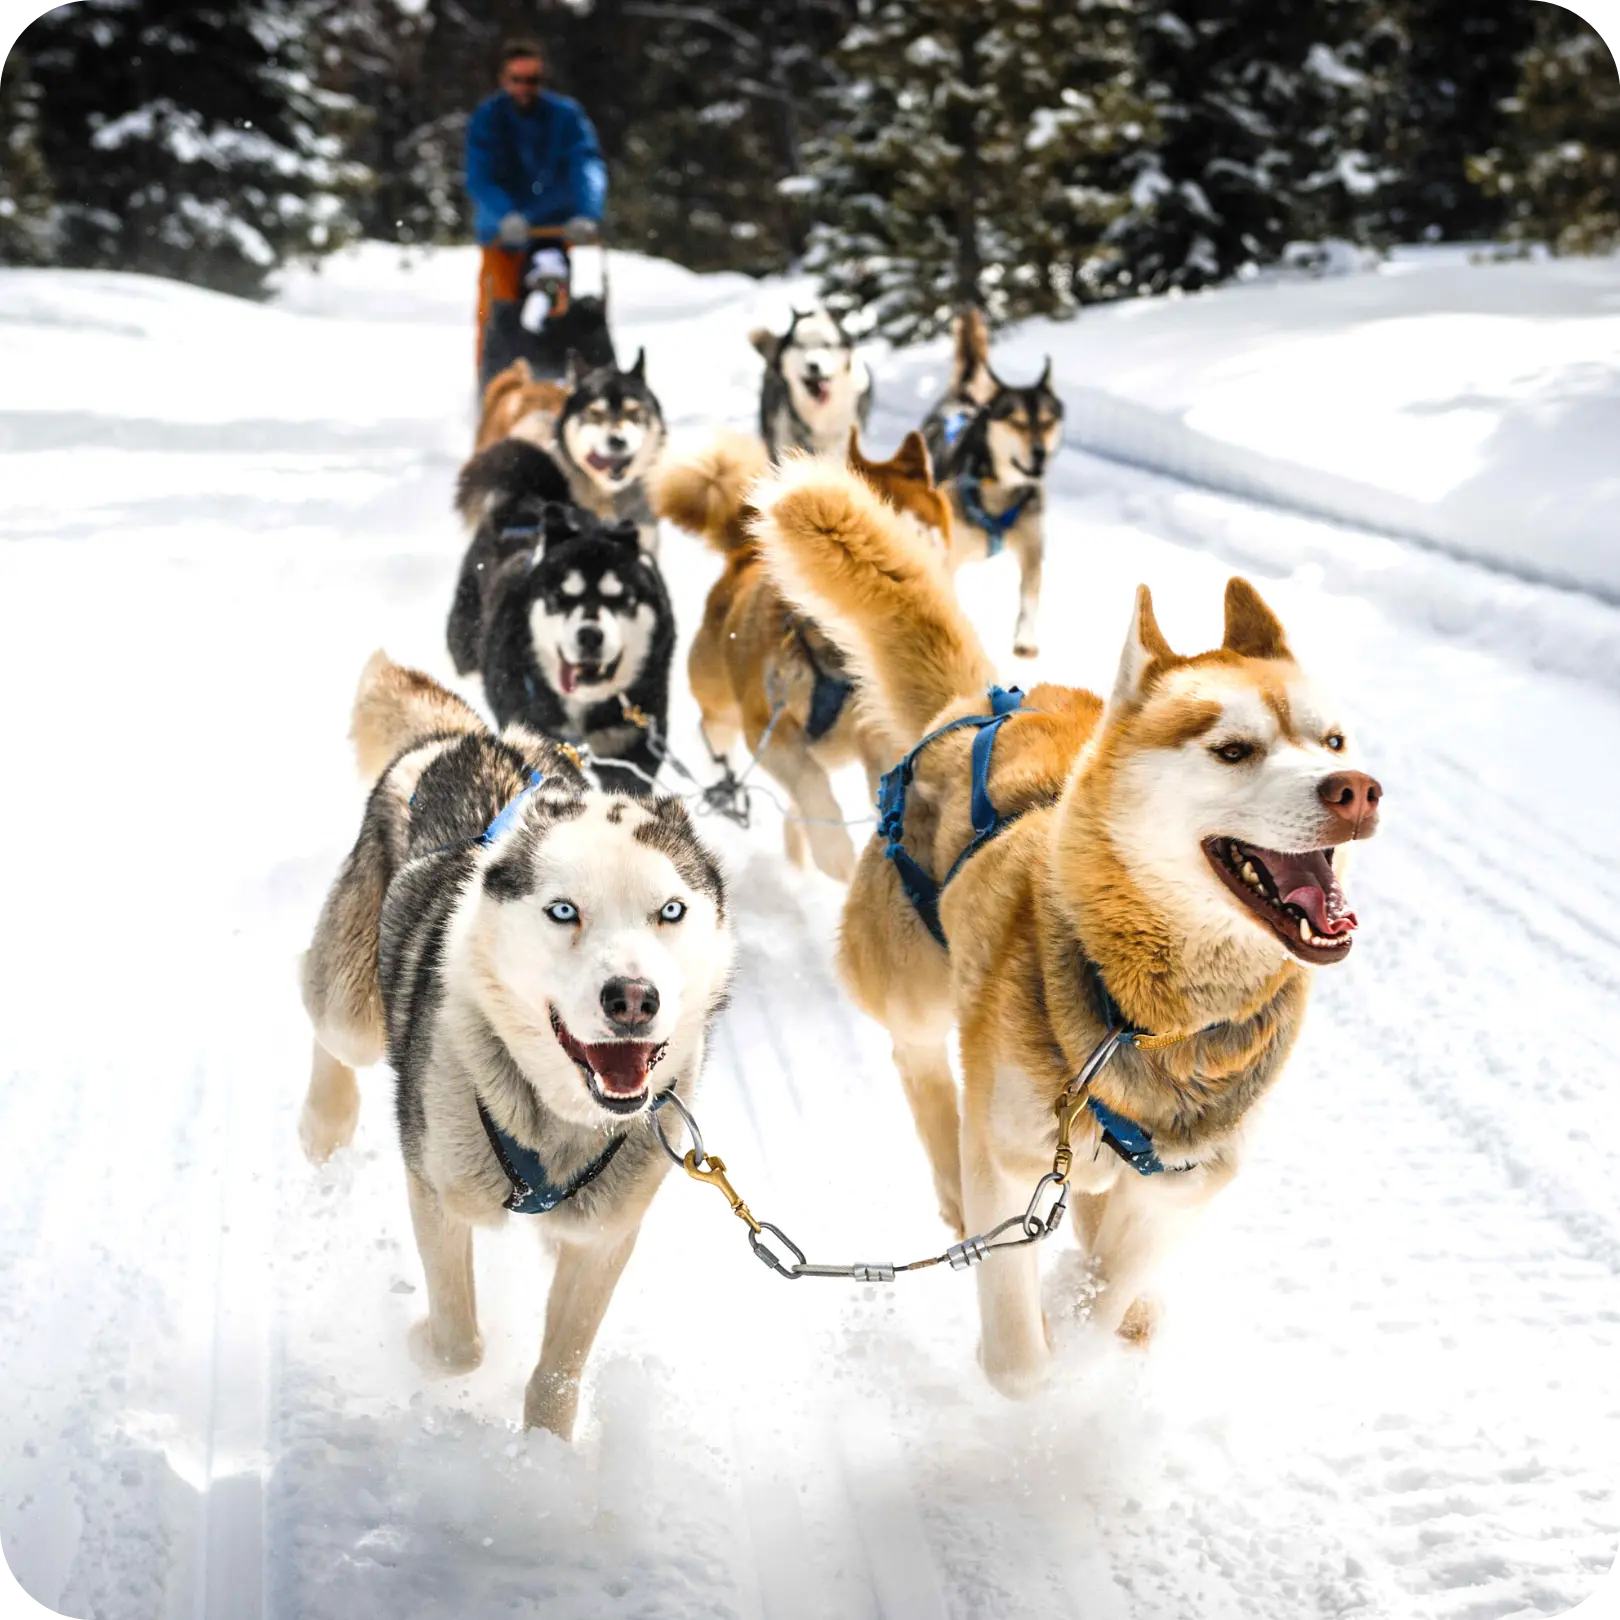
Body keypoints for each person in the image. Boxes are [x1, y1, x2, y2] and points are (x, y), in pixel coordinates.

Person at [466, 38, 608, 371]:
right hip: (502, 235)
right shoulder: (489, 118)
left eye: (532, 80)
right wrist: (504, 214)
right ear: (504, 80)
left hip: (553, 231)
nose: (525, 88)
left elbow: (586, 163)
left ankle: (553, 378)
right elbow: (479, 176)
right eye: (517, 80)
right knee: (496, 317)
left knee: (558, 308)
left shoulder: (566, 116)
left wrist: (588, 213)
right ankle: (493, 391)